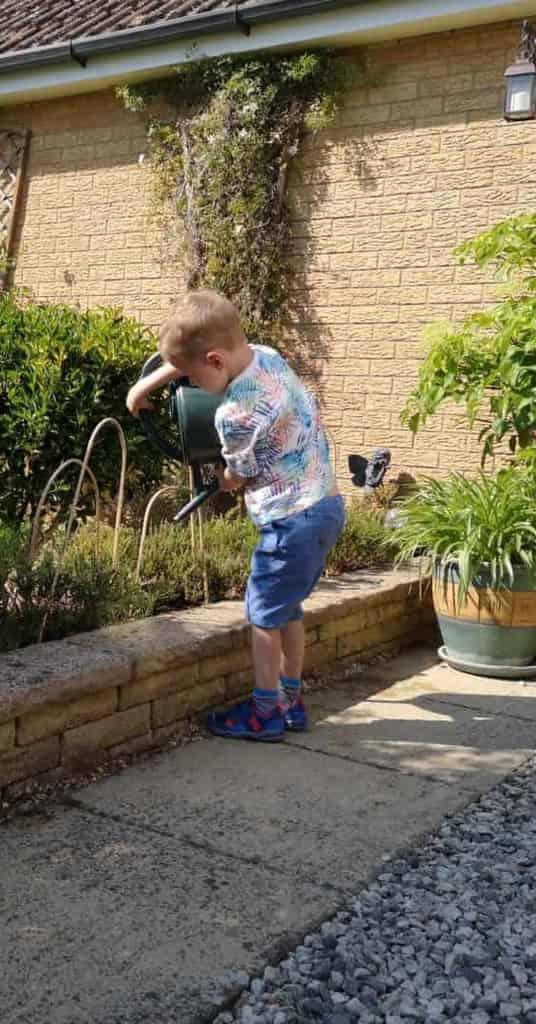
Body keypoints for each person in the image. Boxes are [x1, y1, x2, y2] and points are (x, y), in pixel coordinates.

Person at [127, 290, 343, 741]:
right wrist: (147, 384)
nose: (187, 382)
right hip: (325, 506)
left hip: (288, 523)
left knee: (263, 617)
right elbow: (200, 351)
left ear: (215, 361)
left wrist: (224, 479)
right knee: (288, 608)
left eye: (190, 375)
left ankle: (265, 713)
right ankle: (291, 699)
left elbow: (238, 474)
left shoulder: (235, 414)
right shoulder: (266, 356)